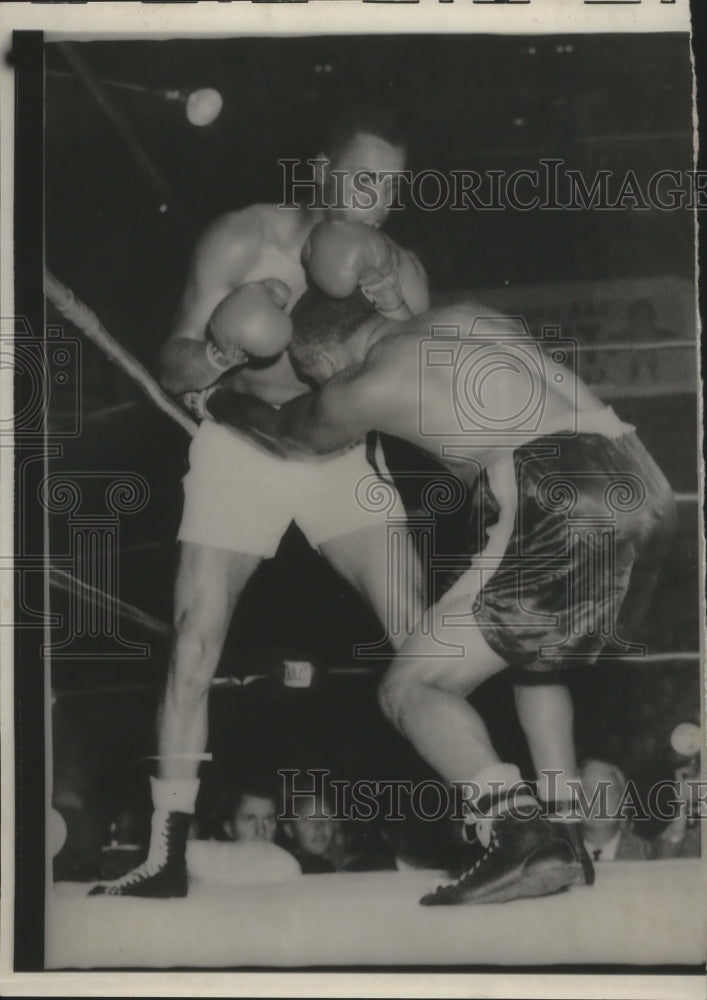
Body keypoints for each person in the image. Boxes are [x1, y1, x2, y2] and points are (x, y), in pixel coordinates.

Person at [200, 254, 677, 905]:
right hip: (640, 480)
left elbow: (291, 434)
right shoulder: (461, 315)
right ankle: (563, 830)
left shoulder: (359, 384)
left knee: (408, 685)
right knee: (533, 660)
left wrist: (216, 397)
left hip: (555, 492)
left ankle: (516, 826)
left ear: (324, 361)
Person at [89, 106, 429, 897]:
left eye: (391, 186)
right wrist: (218, 349)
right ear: (319, 171)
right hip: (239, 449)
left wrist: (399, 316)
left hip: (336, 455)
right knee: (195, 639)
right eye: (362, 178)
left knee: (424, 638)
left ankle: (498, 822)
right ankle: (164, 849)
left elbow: (425, 386)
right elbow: (173, 361)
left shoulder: (397, 271)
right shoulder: (243, 239)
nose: (375, 199)